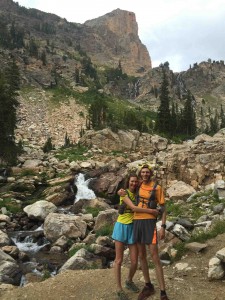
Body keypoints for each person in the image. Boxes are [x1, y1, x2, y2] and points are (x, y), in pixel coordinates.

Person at [112, 173, 159, 300]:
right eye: (131, 181)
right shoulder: (124, 193)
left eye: (135, 182)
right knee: (119, 260)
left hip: (133, 227)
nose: (133, 183)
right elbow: (133, 208)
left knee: (134, 261)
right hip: (121, 226)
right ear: (128, 182)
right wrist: (152, 212)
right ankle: (119, 289)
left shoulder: (138, 193)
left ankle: (129, 280)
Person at [133, 164, 169, 300]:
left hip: (149, 223)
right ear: (140, 174)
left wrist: (163, 226)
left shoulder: (157, 188)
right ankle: (148, 286)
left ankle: (163, 292)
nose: (145, 174)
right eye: (143, 172)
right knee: (142, 255)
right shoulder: (138, 185)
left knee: (155, 257)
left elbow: (163, 208)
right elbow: (127, 191)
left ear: (151, 174)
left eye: (147, 172)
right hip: (136, 222)